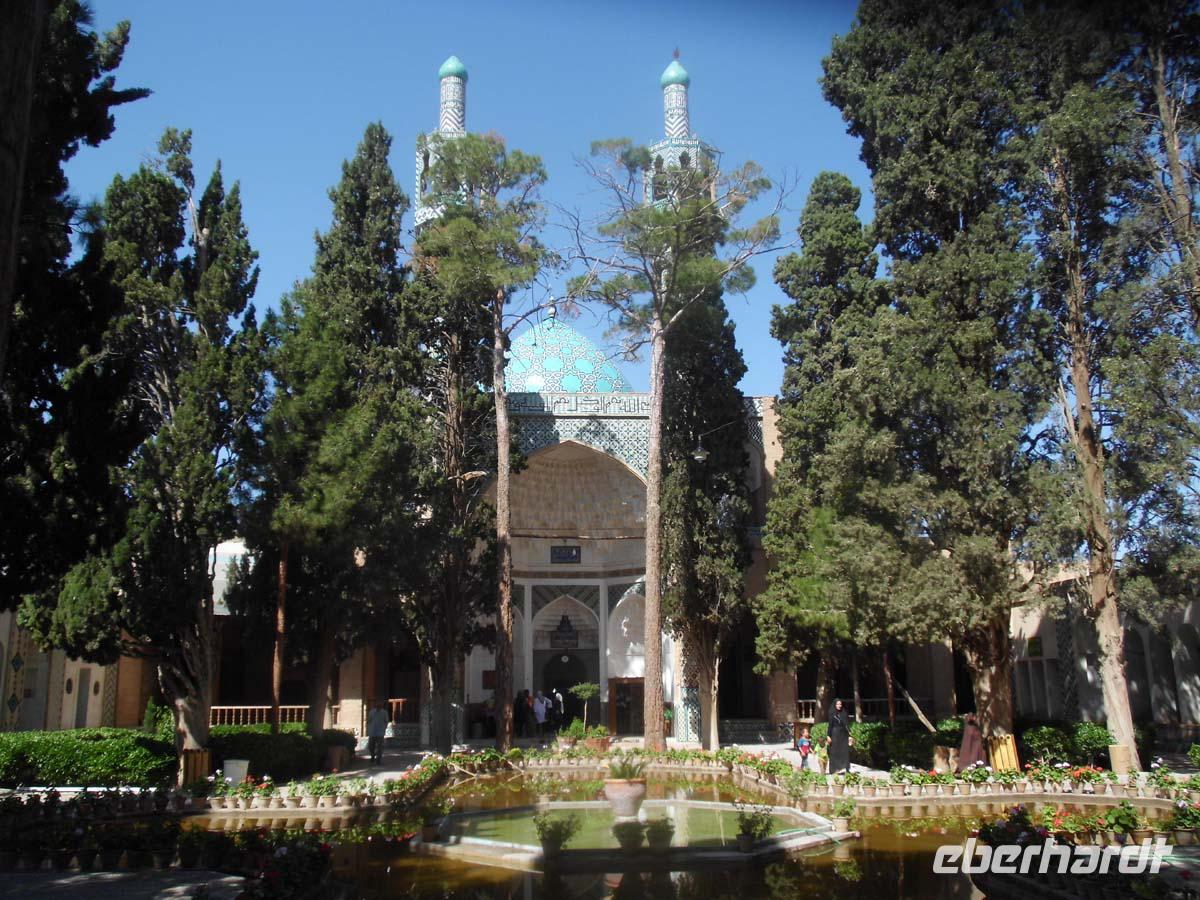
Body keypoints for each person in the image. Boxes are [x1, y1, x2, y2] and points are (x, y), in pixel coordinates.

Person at [826, 699, 852, 774]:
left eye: (840, 704)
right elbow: (830, 725)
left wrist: (849, 734)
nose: (839, 706)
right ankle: (834, 769)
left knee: (844, 751)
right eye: (838, 704)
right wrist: (828, 735)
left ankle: (846, 768)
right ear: (835, 705)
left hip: (843, 734)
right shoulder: (832, 713)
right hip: (835, 734)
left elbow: (846, 724)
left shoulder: (844, 713)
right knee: (834, 751)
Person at [366, 701, 389, 766]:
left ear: (381, 706)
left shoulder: (384, 712)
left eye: (380, 705)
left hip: (380, 732)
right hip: (372, 732)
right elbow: (369, 721)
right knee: (371, 746)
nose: (378, 706)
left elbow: (386, 721)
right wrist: (369, 729)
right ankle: (372, 756)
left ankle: (378, 758)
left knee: (380, 747)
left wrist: (384, 728)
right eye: (377, 705)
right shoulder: (371, 712)